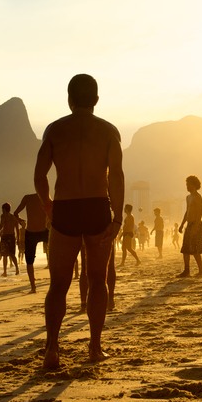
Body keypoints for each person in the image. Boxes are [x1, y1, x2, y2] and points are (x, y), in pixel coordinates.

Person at [34, 74, 124, 369]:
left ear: (69, 99)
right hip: (97, 207)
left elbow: (39, 175)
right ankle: (95, 347)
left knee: (58, 283)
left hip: (66, 209)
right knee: (98, 279)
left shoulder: (55, 131)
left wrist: (48, 206)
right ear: (96, 100)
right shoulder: (109, 132)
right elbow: (117, 176)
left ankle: (52, 350)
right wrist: (118, 215)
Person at [13, 193, 47, 293]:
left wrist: (20, 221)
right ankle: (33, 286)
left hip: (32, 231)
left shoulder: (28, 198)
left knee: (30, 261)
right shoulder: (44, 196)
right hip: (41, 231)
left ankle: (33, 287)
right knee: (30, 261)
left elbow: (15, 213)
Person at [177, 175, 202, 277]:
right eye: (186, 184)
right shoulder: (188, 197)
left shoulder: (197, 197)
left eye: (188, 184)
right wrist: (181, 225)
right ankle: (187, 271)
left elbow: (200, 212)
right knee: (185, 249)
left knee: (195, 249)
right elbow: (187, 212)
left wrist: (196, 226)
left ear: (193, 185)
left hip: (196, 224)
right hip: (189, 224)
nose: (186, 186)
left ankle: (201, 271)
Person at [0, 202, 20, 277]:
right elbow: (17, 229)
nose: (2, 211)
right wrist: (18, 238)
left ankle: (5, 272)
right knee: (12, 255)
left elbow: (1, 224)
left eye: (2, 209)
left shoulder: (3, 216)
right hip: (12, 236)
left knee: (4, 255)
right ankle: (17, 269)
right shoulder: (13, 217)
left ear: (4, 209)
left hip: (5, 237)